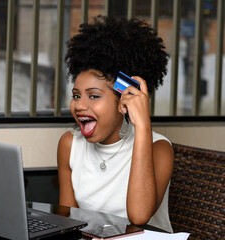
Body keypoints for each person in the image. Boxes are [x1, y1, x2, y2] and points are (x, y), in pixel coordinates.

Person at [57, 16, 174, 233]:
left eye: (93, 96)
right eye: (76, 95)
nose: (79, 105)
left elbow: (138, 217)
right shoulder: (69, 144)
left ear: (123, 102)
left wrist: (143, 126)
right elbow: (69, 222)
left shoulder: (160, 148)